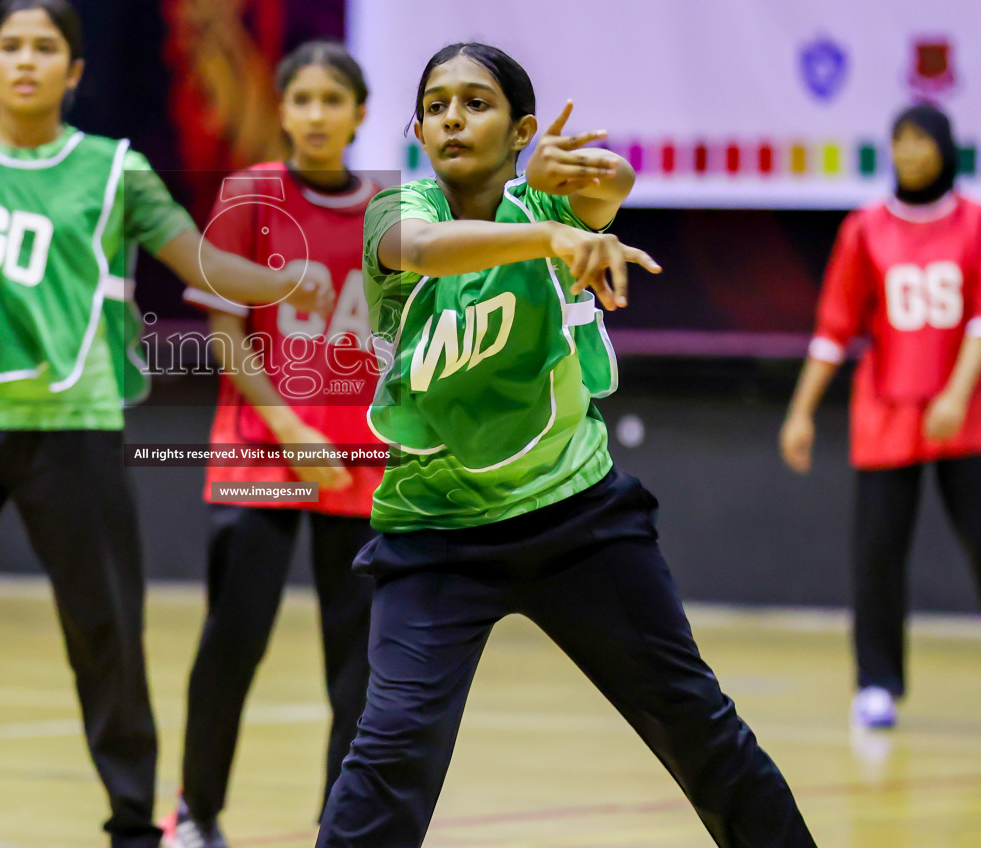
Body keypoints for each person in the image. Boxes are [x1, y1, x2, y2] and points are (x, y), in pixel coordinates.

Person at [0, 0, 335, 848]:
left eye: (47, 47)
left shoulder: (116, 171)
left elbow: (199, 258)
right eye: (12, 45)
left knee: (108, 635)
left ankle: (131, 830)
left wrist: (280, 282)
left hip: (75, 431)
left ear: (74, 71)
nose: (28, 59)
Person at [314, 42, 817, 848]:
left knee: (697, 726)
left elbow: (613, 185)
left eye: (475, 102)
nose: (452, 116)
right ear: (414, 128)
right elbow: (422, 254)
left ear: (520, 130)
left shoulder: (546, 203)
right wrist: (546, 237)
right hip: (433, 531)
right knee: (389, 754)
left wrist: (575, 184)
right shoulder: (400, 213)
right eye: (437, 104)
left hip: (575, 517)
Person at [164, 43, 383, 848]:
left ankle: (342, 823)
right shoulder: (250, 194)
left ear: (361, 114)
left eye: (335, 99)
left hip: (361, 464)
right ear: (283, 109)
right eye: (303, 99)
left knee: (358, 660)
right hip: (261, 453)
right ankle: (196, 813)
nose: (318, 114)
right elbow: (226, 338)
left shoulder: (393, 212)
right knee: (233, 639)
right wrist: (291, 431)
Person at [779, 102, 981, 730]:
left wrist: (954, 394)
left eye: (921, 140)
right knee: (878, 554)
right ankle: (877, 684)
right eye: (900, 141)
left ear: (945, 147)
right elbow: (834, 329)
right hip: (887, 413)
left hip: (969, 415)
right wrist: (801, 411)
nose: (910, 152)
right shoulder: (865, 229)